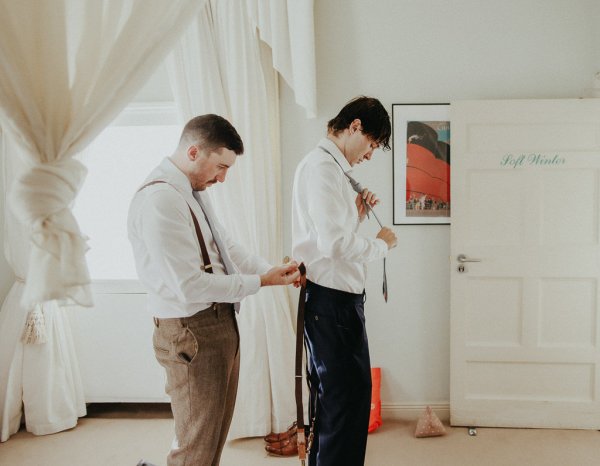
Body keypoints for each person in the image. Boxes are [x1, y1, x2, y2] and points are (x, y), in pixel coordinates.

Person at [128, 114, 300, 466]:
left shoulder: (189, 191)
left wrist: (269, 270)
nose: (222, 178)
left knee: (212, 437)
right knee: (195, 444)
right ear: (193, 152)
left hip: (218, 322)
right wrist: (260, 283)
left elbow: (224, 246)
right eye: (220, 166)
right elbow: (189, 285)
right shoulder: (161, 200)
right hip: (191, 331)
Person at [291, 96, 398, 466]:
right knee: (346, 403)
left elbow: (328, 240)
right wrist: (380, 245)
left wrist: (354, 215)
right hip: (333, 303)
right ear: (355, 127)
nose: (369, 156)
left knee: (340, 402)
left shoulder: (329, 169)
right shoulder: (323, 168)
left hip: (335, 301)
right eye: (371, 144)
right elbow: (334, 246)